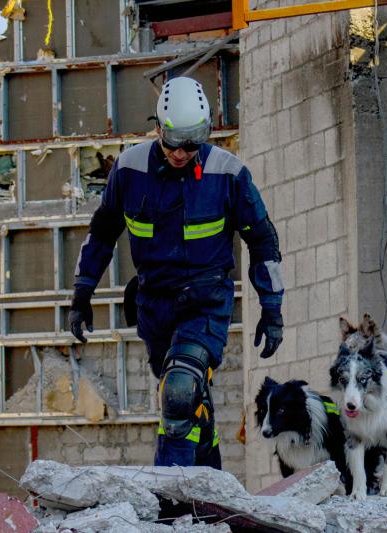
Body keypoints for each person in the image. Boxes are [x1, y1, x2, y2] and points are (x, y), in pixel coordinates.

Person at [68, 76, 284, 469]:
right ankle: (208, 480)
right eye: (173, 143)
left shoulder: (228, 174)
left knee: (180, 390)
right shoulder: (130, 170)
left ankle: (172, 494)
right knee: (187, 403)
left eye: (191, 143)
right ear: (159, 129)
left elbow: (263, 242)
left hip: (206, 301)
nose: (182, 153)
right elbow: (101, 235)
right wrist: (82, 295)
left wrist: (272, 309)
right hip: (154, 305)